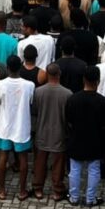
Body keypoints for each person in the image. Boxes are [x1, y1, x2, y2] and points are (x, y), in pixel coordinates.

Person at [65, 66, 105, 206]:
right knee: (94, 170)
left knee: (74, 170)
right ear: (98, 81)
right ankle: (90, 199)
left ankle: (73, 197)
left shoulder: (73, 98)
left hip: (76, 139)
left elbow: (68, 120)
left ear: (83, 79)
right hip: (95, 140)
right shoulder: (102, 101)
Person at [0, 55, 35, 201]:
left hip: (4, 126)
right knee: (23, 158)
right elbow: (30, 102)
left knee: (3, 156)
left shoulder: (0, 85)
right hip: (21, 126)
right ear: (20, 66)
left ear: (7, 67)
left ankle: (2, 190)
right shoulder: (29, 85)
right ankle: (22, 191)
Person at [31, 63, 71, 201]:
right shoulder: (67, 93)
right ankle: (57, 190)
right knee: (58, 165)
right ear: (59, 74)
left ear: (47, 74)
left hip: (42, 131)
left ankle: (38, 189)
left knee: (40, 163)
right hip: (59, 133)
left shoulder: (38, 91)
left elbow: (34, 112)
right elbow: (68, 116)